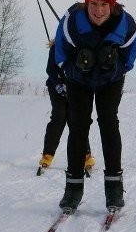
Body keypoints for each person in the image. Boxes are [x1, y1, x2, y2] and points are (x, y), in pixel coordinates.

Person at [54, 0, 136, 213]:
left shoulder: (126, 25)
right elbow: (60, 55)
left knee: (108, 122)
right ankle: (73, 188)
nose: (98, 11)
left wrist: (111, 66)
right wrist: (76, 67)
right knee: (78, 125)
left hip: (109, 81)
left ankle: (114, 187)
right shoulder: (71, 23)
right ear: (86, 3)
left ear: (112, 5)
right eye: (93, 4)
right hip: (78, 81)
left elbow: (129, 59)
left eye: (104, 5)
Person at [38, 40, 95, 173]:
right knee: (59, 117)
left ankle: (86, 156)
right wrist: (58, 84)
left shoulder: (83, 44)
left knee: (76, 120)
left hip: (76, 86)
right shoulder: (57, 46)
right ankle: (47, 155)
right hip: (56, 85)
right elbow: (50, 69)